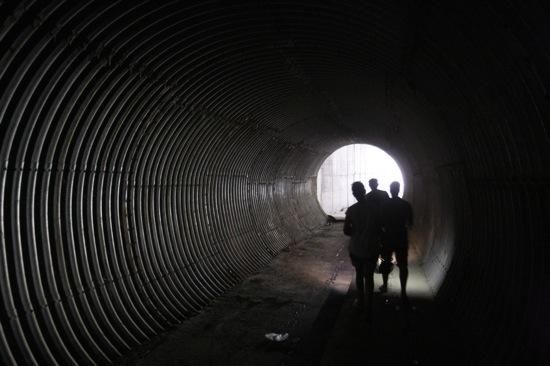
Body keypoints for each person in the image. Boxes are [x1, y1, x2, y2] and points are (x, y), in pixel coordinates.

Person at [343, 181, 381, 317]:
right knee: (369, 276)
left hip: (357, 249)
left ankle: (360, 301)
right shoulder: (375, 208)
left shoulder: (351, 210)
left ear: (354, 193)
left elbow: (346, 231)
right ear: (365, 190)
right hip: (371, 248)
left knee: (359, 274)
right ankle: (369, 304)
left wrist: (356, 231)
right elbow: (381, 228)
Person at [379, 181, 413, 308]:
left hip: (387, 238)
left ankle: (385, 285)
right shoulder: (405, 205)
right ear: (398, 190)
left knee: (386, 262)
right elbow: (410, 223)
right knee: (403, 265)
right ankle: (403, 291)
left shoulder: (385, 204)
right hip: (401, 238)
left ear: (390, 189)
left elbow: (380, 222)